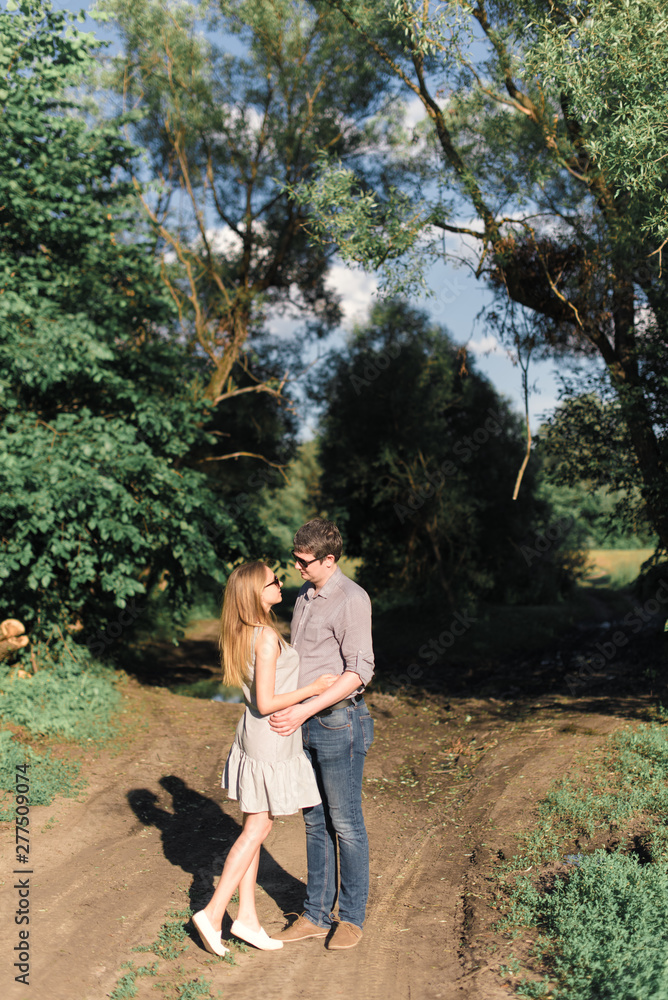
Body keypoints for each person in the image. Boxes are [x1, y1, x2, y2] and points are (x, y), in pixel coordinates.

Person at [192, 561, 337, 957]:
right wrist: (313, 688)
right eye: (274, 579)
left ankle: (248, 919)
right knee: (257, 829)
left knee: (254, 828)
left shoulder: (245, 631)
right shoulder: (267, 638)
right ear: (257, 591)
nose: (280, 583)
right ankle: (213, 912)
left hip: (255, 734)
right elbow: (267, 701)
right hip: (271, 737)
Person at [270, 519, 375, 951]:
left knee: (346, 823)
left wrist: (306, 709)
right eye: (294, 558)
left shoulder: (351, 599)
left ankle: (350, 918)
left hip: (338, 722)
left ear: (329, 559)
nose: (296, 566)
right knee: (315, 822)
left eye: (303, 561)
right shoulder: (303, 596)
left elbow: (359, 671)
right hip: (305, 723)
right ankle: (314, 914)